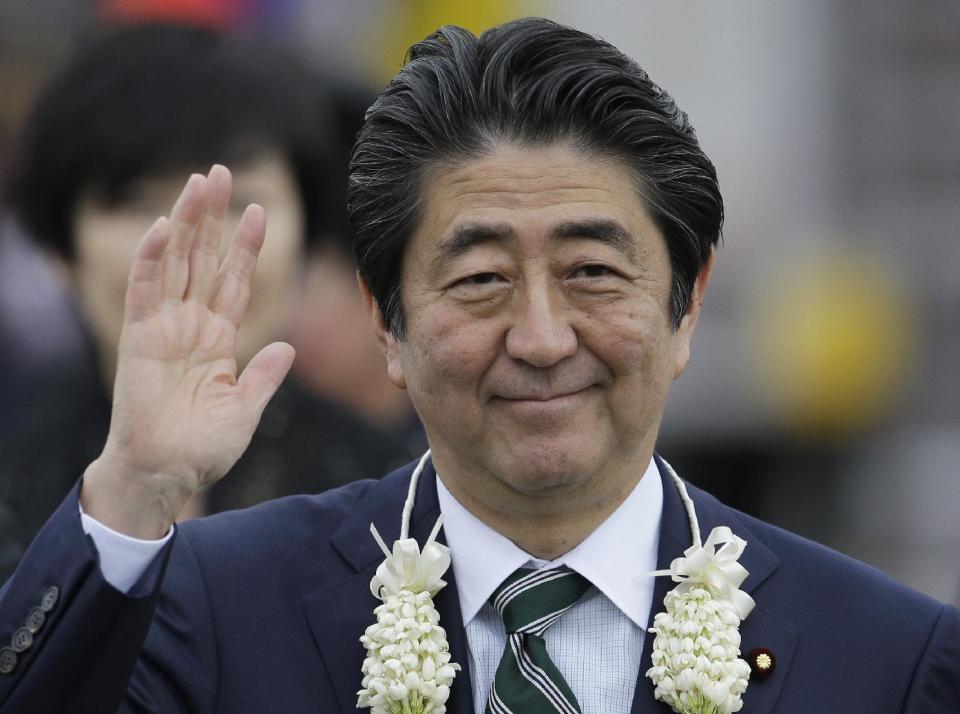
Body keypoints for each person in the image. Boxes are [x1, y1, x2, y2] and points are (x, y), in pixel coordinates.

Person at [1, 17, 957, 714]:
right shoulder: (216, 603)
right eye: (481, 279)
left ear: (687, 302)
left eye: (591, 272)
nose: (541, 338)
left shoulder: (886, 655)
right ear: (387, 318)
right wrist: (135, 487)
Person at [0, 23, 426, 580]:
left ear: (308, 239)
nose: (191, 238)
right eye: (138, 201)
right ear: (60, 250)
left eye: (239, 200)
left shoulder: (402, 502)